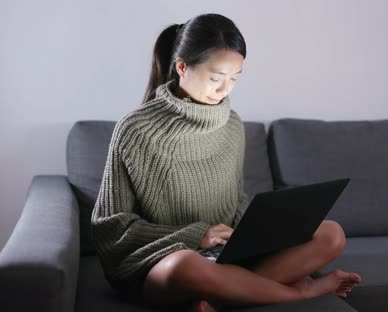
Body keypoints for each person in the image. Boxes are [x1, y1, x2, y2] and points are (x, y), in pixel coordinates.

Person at [91, 13, 361, 312]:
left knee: (330, 233)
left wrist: (255, 236)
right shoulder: (134, 129)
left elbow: (235, 203)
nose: (225, 89)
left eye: (234, 78)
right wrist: (195, 235)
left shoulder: (231, 125)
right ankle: (303, 292)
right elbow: (111, 228)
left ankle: (218, 297)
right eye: (216, 78)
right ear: (182, 67)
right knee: (186, 264)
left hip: (225, 257)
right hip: (161, 262)